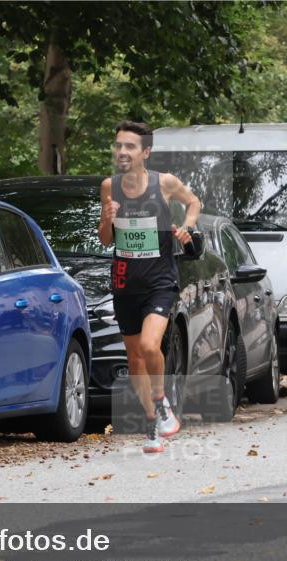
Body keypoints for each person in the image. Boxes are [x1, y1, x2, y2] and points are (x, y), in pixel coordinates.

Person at [98, 120, 201, 453]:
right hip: (126, 281)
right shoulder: (108, 187)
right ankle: (153, 423)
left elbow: (194, 203)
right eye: (119, 146)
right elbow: (105, 239)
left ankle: (161, 401)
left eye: (130, 146)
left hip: (160, 280)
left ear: (145, 152)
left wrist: (186, 228)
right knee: (134, 360)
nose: (122, 152)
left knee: (147, 345)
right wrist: (106, 218)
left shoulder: (165, 183)